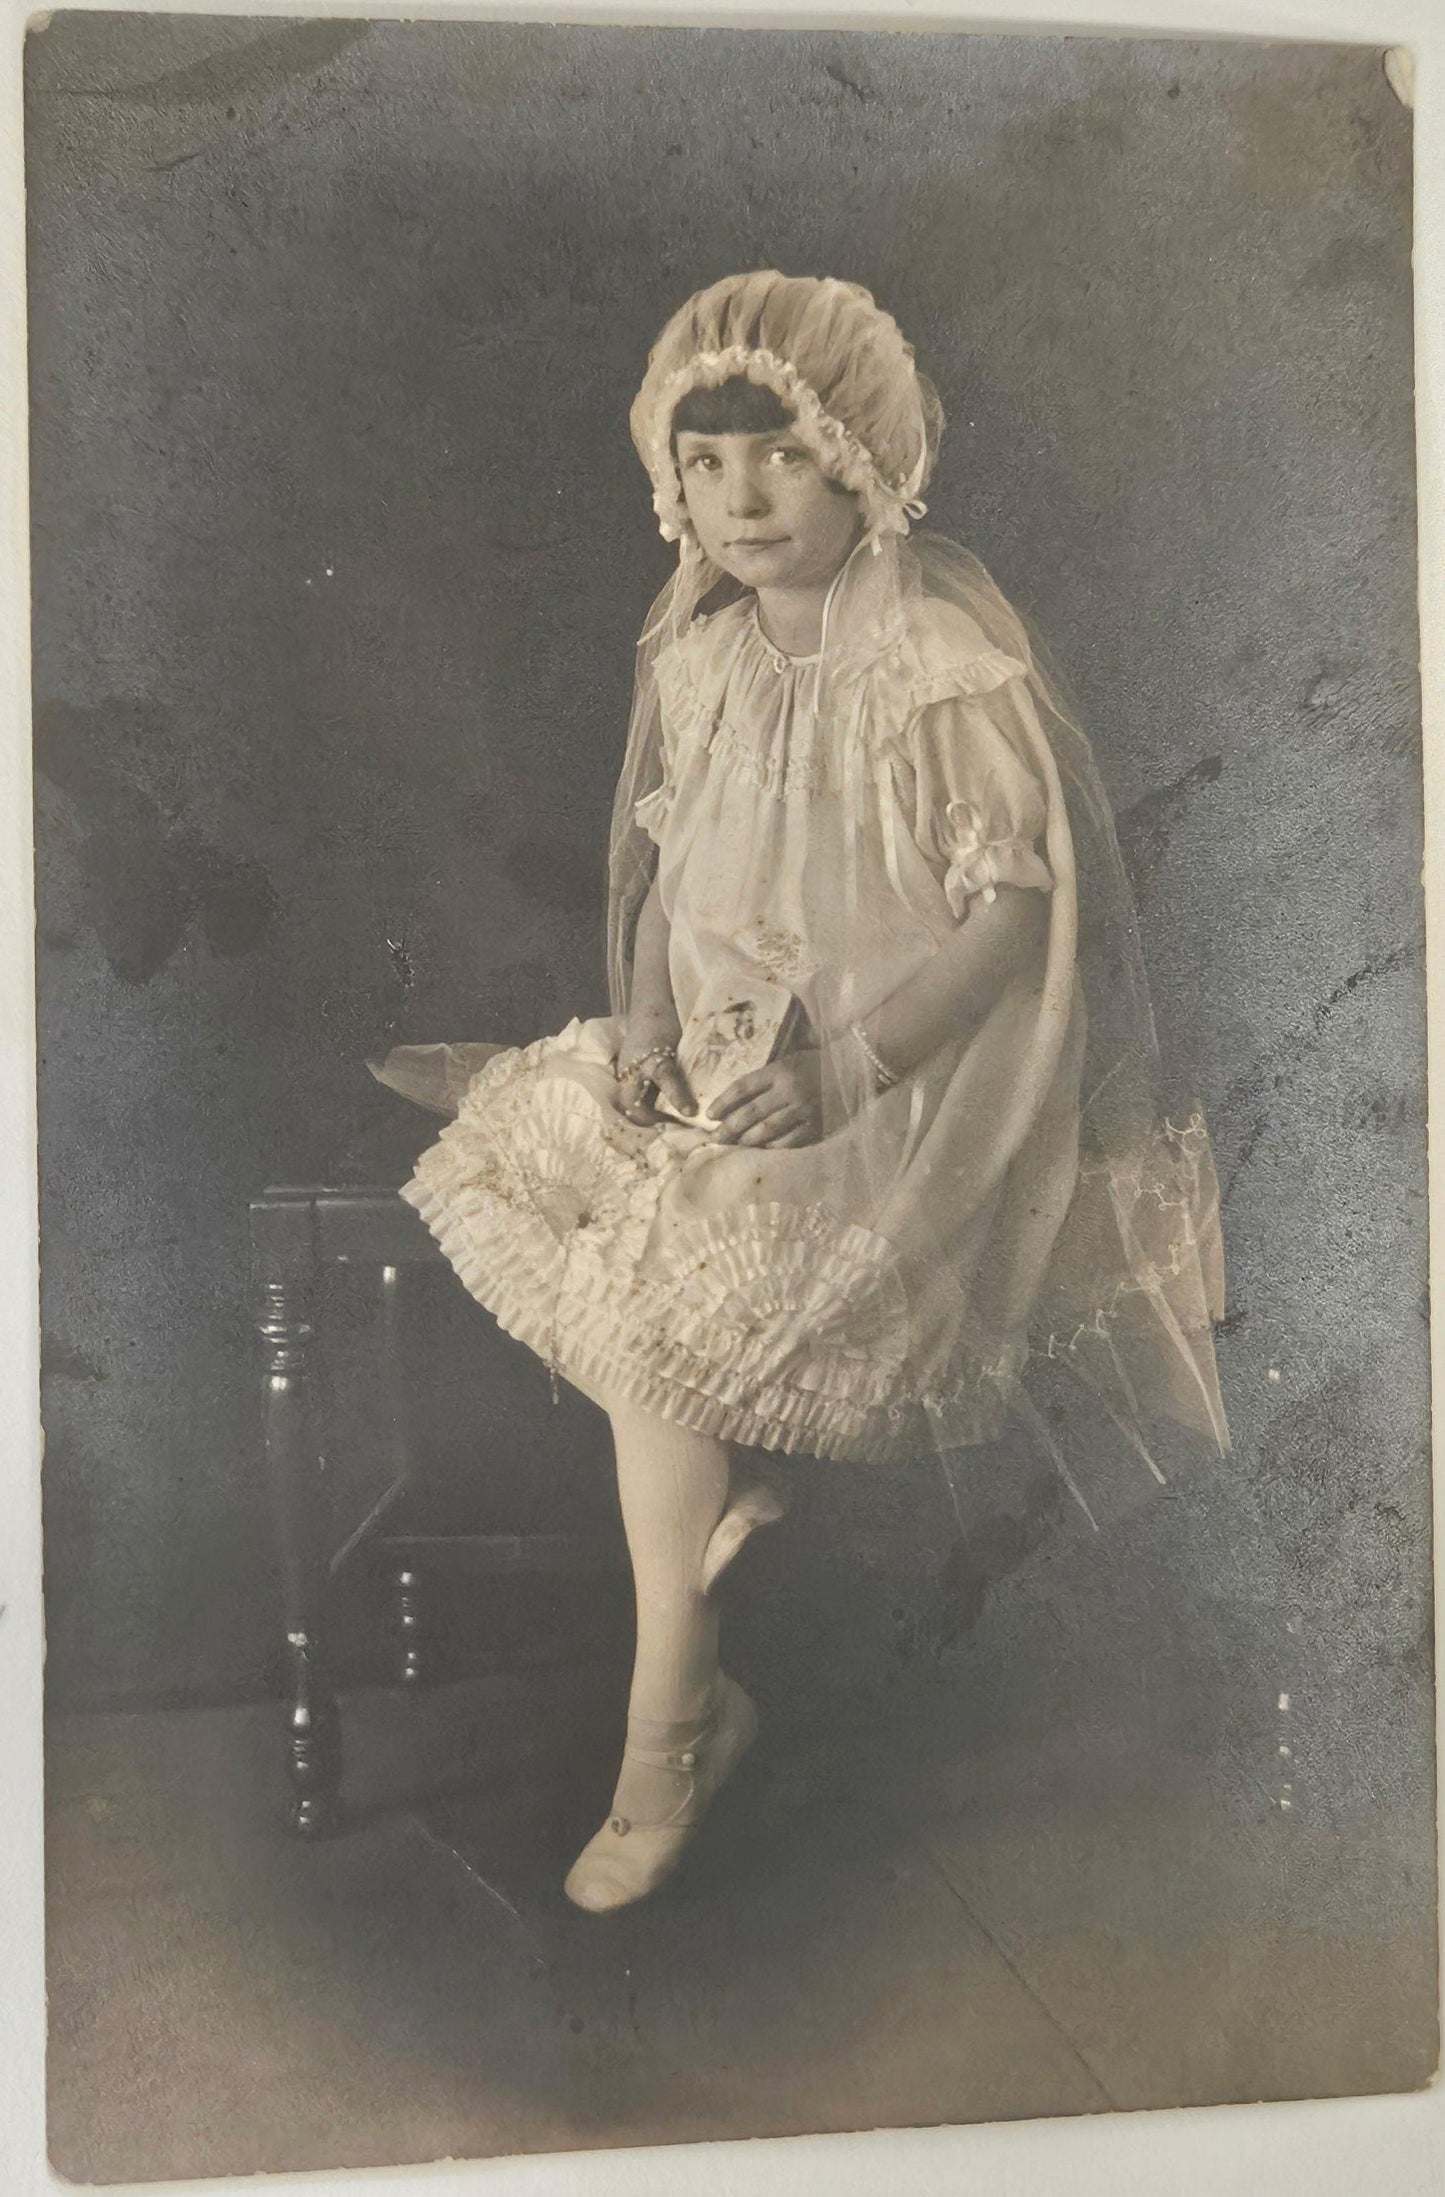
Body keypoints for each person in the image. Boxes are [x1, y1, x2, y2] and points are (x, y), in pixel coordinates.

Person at [379, 271, 1230, 1914]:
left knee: (664, 1294)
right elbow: (669, 887)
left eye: (776, 457)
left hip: (907, 1089)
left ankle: (670, 1722)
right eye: (704, 469)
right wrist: (639, 1025)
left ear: (861, 462)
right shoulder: (702, 665)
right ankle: (699, 1570)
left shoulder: (933, 660)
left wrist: (849, 1063)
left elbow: (1008, 918)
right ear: (668, 484)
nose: (740, 500)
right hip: (725, 1059)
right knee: (554, 1167)